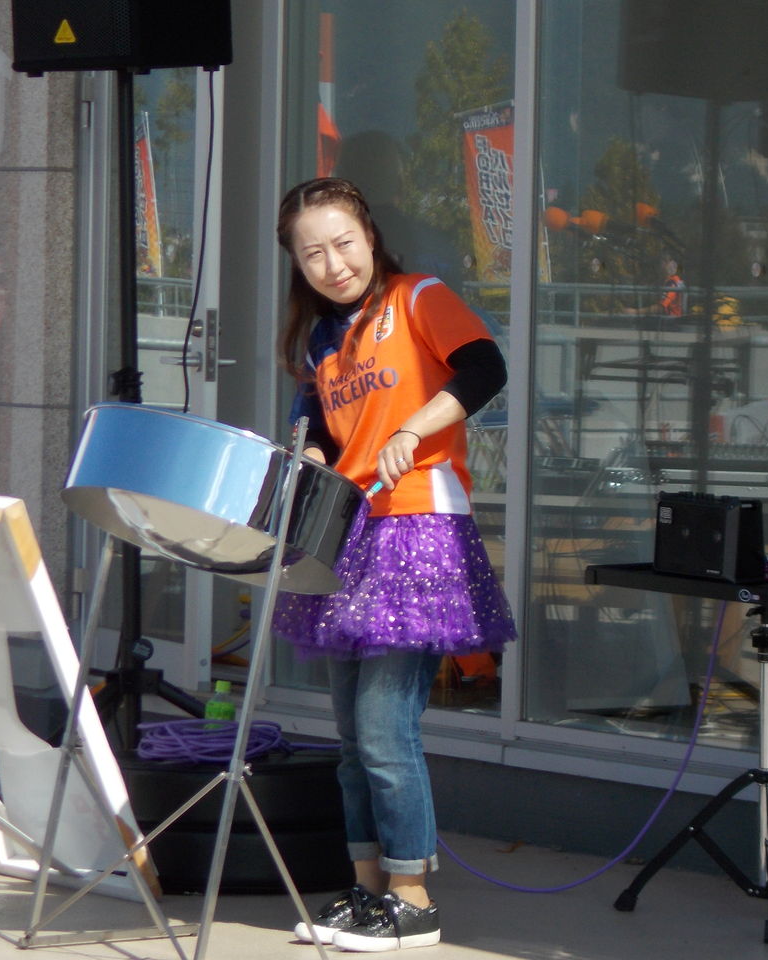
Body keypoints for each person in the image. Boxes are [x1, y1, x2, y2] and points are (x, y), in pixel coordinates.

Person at [273, 178, 516, 952]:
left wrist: (416, 427)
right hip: (350, 531)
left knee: (385, 730)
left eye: (343, 243)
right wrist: (310, 453)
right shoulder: (322, 339)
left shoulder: (418, 298)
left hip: (419, 524)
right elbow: (314, 421)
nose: (333, 263)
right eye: (313, 253)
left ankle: (413, 899)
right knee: (351, 739)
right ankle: (367, 889)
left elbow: (484, 368)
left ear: (370, 237)